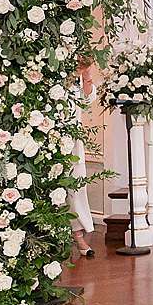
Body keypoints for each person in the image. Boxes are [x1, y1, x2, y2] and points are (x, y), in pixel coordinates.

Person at [68, 58, 97, 258]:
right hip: (48, 133)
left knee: (75, 186)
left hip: (72, 137)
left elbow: (87, 99)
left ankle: (78, 235)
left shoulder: (78, 77)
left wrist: (86, 73)